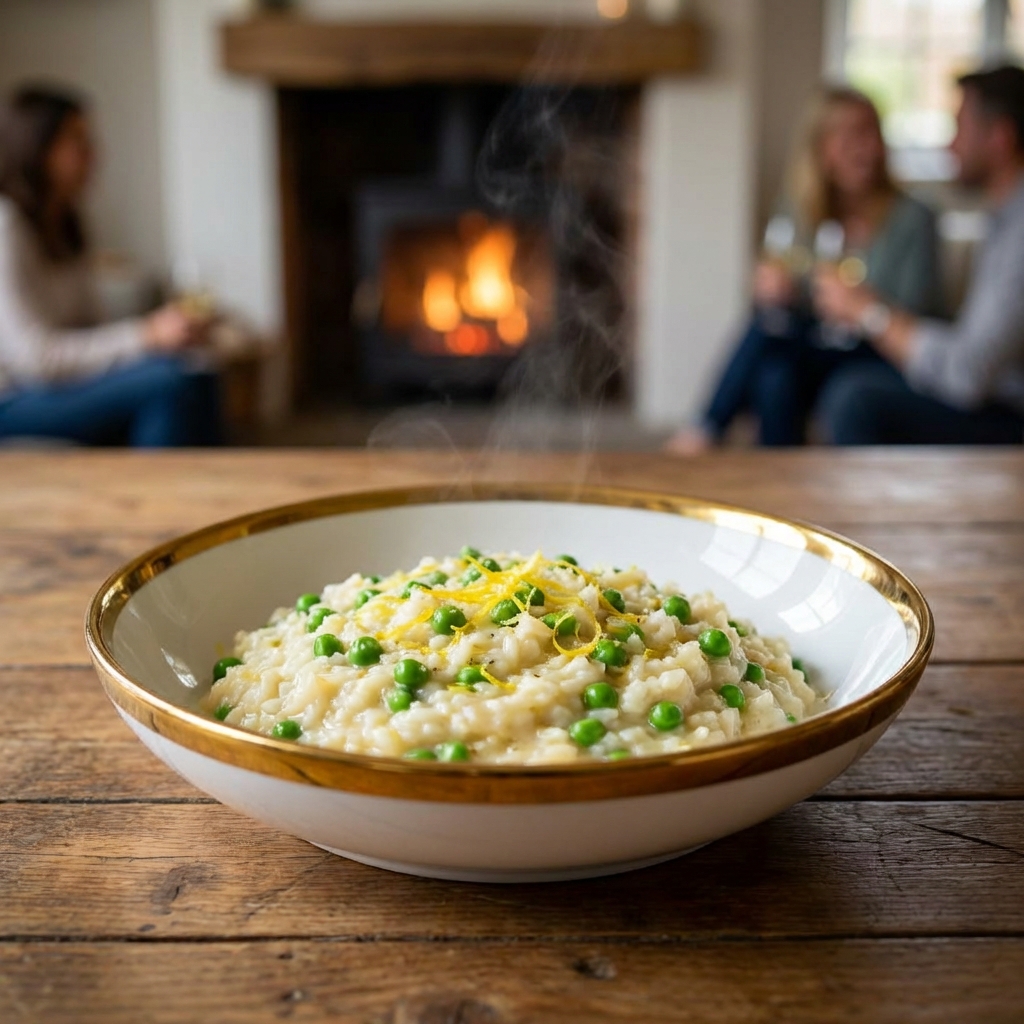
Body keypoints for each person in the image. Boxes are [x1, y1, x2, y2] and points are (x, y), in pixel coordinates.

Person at [667, 87, 942, 452]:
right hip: (814, 348)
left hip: (876, 352)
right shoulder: (799, 211)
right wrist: (773, 288)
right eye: (846, 135)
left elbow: (918, 313)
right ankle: (778, 480)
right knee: (773, 370)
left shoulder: (913, 218)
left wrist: (858, 305)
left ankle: (704, 431)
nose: (863, 147)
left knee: (772, 349)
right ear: (820, 146)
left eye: (869, 132)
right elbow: (786, 293)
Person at [814, 66, 1024, 445]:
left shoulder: (1017, 232)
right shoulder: (1000, 220)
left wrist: (869, 312)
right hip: (980, 388)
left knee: (855, 397)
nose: (950, 146)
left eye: (960, 128)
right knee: (779, 362)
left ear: (1000, 138)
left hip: (1007, 411)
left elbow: (970, 373)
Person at [0, 85, 221, 446]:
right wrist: (146, 335)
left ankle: (217, 495)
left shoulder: (67, 222)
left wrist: (167, 335)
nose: (94, 154)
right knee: (169, 383)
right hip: (13, 400)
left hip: (63, 387)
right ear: (38, 148)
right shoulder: (5, 226)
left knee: (198, 368)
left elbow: (94, 326)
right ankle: (161, 501)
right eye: (78, 140)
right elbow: (36, 359)